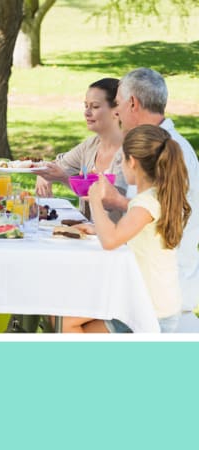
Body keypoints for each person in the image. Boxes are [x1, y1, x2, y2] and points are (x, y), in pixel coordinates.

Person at [93, 67, 199, 332]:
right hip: (145, 277)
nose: (115, 112)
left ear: (132, 103)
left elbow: (162, 211)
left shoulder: (172, 152)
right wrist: (118, 203)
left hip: (160, 287)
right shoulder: (155, 148)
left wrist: (110, 202)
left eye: (116, 104)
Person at [64, 125, 191, 333]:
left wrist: (95, 199)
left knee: (66, 321)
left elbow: (111, 241)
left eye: (121, 159)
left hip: (148, 308)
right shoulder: (157, 197)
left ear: (132, 162)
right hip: (154, 302)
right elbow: (131, 232)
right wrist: (97, 229)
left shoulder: (145, 203)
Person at [35, 78, 128, 219]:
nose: (87, 113)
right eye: (86, 106)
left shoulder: (132, 153)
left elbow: (110, 202)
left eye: (95, 107)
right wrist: (44, 174)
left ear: (116, 111)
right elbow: (58, 166)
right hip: (87, 235)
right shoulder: (90, 146)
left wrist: (63, 178)